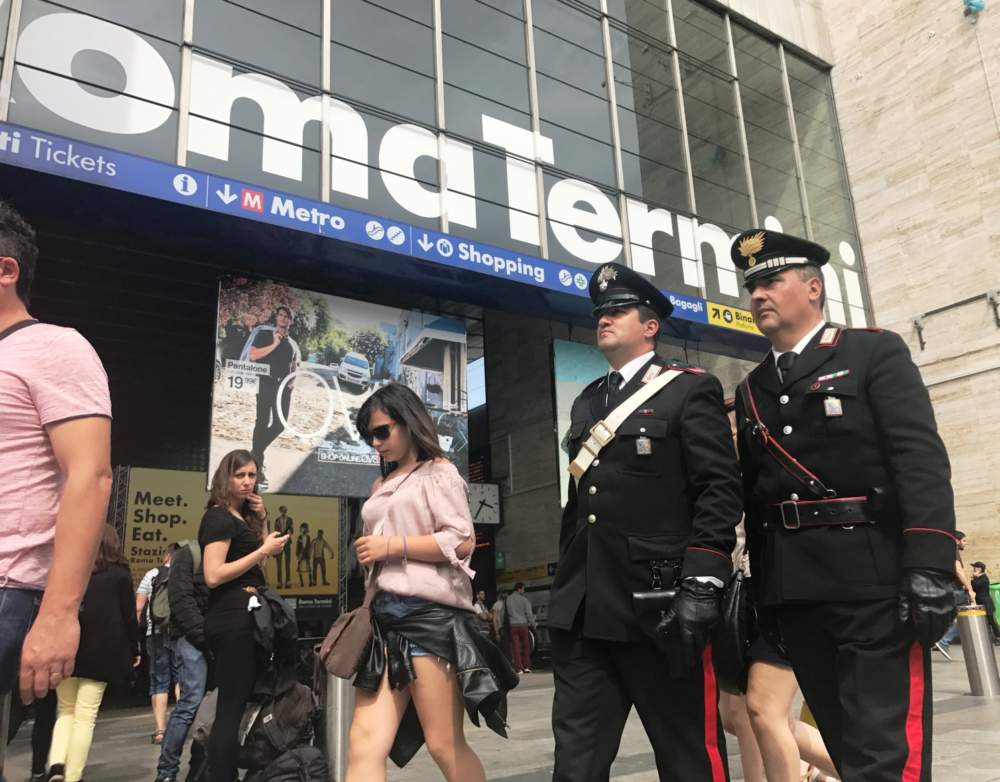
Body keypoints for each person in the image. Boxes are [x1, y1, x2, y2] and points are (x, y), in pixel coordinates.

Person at [731, 228, 958, 781]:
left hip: (874, 583)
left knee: (886, 754)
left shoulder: (871, 352)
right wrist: (767, 598)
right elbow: (760, 501)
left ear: (812, 288)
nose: (758, 294)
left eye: (772, 281)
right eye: (752, 285)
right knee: (846, 749)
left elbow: (919, 459)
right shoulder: (751, 388)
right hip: (796, 592)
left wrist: (929, 565)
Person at [549, 263, 742, 781]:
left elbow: (719, 489)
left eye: (617, 310)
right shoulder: (588, 399)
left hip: (658, 607)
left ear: (650, 325)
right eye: (599, 313)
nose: (603, 319)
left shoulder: (687, 389)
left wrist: (703, 580)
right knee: (575, 766)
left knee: (687, 758)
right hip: (587, 610)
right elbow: (580, 504)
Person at [346, 383, 516, 782]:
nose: (376, 443)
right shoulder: (380, 485)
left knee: (443, 743)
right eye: (369, 435)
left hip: (430, 620)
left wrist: (390, 545)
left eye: (382, 431)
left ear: (408, 422)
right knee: (363, 744)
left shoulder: (440, 472)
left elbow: (461, 540)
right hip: (384, 620)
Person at [0, 202, 113, 748]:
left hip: (8, 587)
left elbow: (90, 476)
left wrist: (57, 616)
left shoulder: (54, 347)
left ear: (6, 270)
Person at [199, 449, 289, 782]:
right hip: (231, 618)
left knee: (238, 707)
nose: (248, 482)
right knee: (230, 710)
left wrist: (262, 524)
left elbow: (259, 566)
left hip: (247, 617)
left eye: (252, 475)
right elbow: (213, 574)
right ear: (226, 477)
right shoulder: (219, 517)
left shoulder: (239, 518)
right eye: (240, 475)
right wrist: (263, 549)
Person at [46, 525, 140, 782]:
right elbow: (129, 616)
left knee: (64, 711)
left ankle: (56, 765)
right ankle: (73, 776)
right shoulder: (120, 572)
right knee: (85, 717)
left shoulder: (70, 568)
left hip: (68, 648)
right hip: (104, 652)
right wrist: (134, 647)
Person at [153, 538, 210, 782]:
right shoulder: (190, 554)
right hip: (192, 639)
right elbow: (180, 600)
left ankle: (199, 766)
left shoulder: (228, 554)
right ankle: (166, 772)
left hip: (214, 640)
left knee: (209, 706)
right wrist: (201, 635)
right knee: (190, 703)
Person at [248, 305, 298, 490]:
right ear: (277, 318)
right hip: (266, 383)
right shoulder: (264, 335)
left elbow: (293, 365)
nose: (284, 319)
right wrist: (274, 344)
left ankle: (255, 451)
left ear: (291, 321)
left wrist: (293, 381)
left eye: (287, 316)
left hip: (283, 388)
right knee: (261, 422)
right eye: (281, 315)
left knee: (280, 423)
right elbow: (253, 356)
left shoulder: (292, 344)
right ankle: (258, 466)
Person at [135, 545, 181, 744]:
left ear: (166, 555)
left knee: (159, 681)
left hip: (154, 633)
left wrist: (134, 637)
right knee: (181, 677)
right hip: (179, 633)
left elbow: (138, 607)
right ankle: (182, 725)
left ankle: (160, 730)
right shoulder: (184, 573)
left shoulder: (151, 574)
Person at [935, 531, 977, 657]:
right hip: (955, 589)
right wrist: (970, 589)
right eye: (964, 540)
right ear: (957, 540)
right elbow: (958, 570)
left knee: (947, 616)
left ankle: (935, 639)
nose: (966, 543)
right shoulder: (953, 549)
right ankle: (944, 641)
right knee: (967, 615)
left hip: (946, 587)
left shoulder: (943, 549)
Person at [505, 583, 535, 673]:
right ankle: (527, 667)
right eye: (523, 589)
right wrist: (533, 624)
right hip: (523, 625)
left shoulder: (508, 599)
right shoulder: (524, 600)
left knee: (516, 648)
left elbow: (505, 613)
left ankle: (518, 668)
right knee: (526, 646)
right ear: (519, 589)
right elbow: (529, 614)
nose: (523, 591)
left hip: (513, 625)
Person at [971, 562, 1000, 644]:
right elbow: (974, 588)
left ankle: (998, 637)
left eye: (975, 567)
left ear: (980, 569)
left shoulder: (984, 578)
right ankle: (989, 638)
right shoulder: (978, 578)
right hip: (981, 601)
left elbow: (976, 585)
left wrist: (974, 578)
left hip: (986, 602)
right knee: (985, 621)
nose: (973, 568)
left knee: (991, 620)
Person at [274, 505, 294, 588]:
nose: (284, 511)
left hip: (287, 542)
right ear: (280, 510)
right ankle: (279, 582)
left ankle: (288, 581)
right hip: (279, 542)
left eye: (286, 510)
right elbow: (276, 532)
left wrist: (289, 532)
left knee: (287, 563)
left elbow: (292, 530)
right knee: (279, 563)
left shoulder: (290, 519)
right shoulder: (277, 520)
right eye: (283, 510)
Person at [296, 523, 313, 587]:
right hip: (300, 554)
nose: (302, 529)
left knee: (309, 568)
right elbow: (297, 546)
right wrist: (298, 555)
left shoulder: (308, 537)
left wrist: (309, 553)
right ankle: (302, 583)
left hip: (306, 554)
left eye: (303, 528)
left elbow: (309, 546)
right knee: (299, 568)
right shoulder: (299, 537)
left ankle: (310, 582)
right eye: (302, 528)